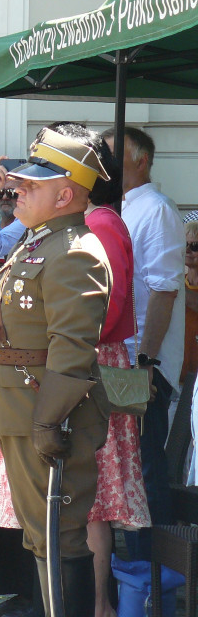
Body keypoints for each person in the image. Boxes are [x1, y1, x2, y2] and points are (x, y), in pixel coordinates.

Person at [0, 127, 150, 617]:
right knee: (42, 539)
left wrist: (45, 421)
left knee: (59, 539)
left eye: (31, 185)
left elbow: (73, 352)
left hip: (46, 413)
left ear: (65, 194)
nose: (18, 190)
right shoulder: (43, 241)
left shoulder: (75, 248)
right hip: (19, 406)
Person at [102, 125, 185, 561]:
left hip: (141, 361)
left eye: (116, 154)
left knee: (144, 464)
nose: (107, 161)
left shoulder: (155, 210)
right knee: (123, 463)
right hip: (119, 357)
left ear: (141, 160)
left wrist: (146, 361)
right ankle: (130, 564)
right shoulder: (113, 208)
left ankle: (151, 572)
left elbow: (164, 289)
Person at [184, 220, 198, 383]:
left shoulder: (178, 288)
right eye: (184, 245)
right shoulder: (180, 283)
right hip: (180, 375)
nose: (187, 250)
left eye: (195, 246)